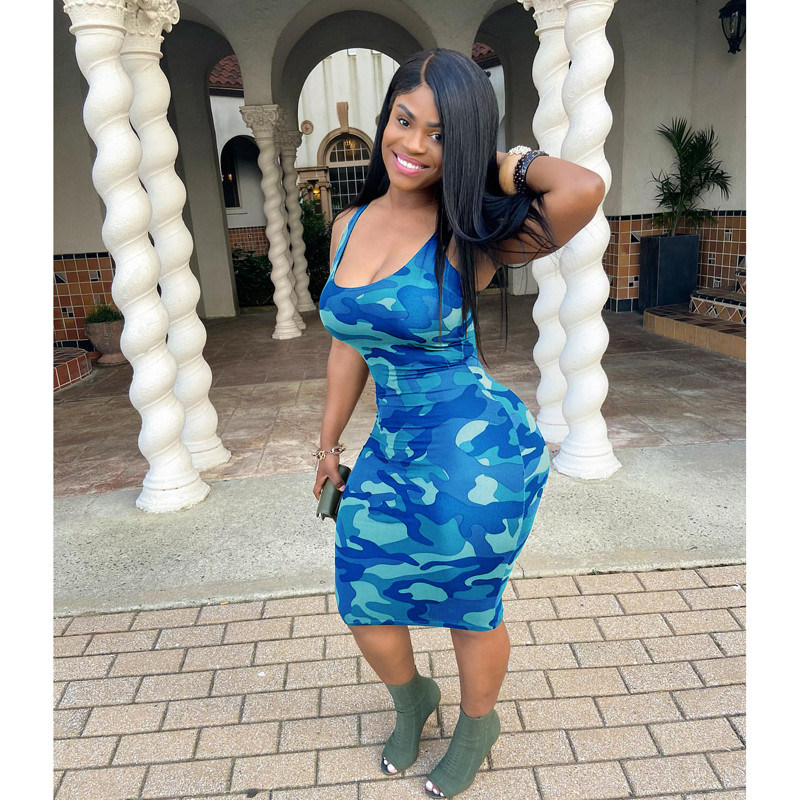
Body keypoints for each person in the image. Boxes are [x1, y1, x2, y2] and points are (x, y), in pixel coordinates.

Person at [312, 48, 604, 798]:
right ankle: (414, 698)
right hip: (391, 451)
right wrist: (327, 442)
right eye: (404, 121)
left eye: (441, 134)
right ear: (385, 120)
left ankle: (478, 726)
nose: (413, 145)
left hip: (475, 456)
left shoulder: (469, 233)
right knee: (364, 597)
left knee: (468, 606)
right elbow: (348, 343)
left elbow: (582, 187)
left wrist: (497, 163)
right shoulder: (346, 224)